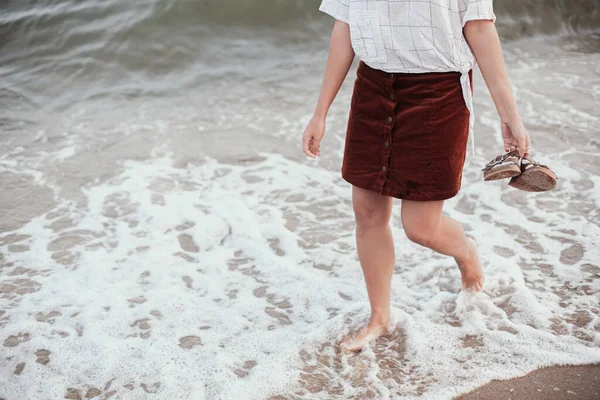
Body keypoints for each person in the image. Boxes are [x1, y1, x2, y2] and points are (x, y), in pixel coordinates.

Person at [301, 0, 532, 353]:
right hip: (373, 88)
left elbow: (481, 30)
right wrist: (320, 112)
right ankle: (379, 318)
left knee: (421, 227)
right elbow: (344, 28)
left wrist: (510, 116)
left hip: (437, 95)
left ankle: (467, 253)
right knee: (368, 212)